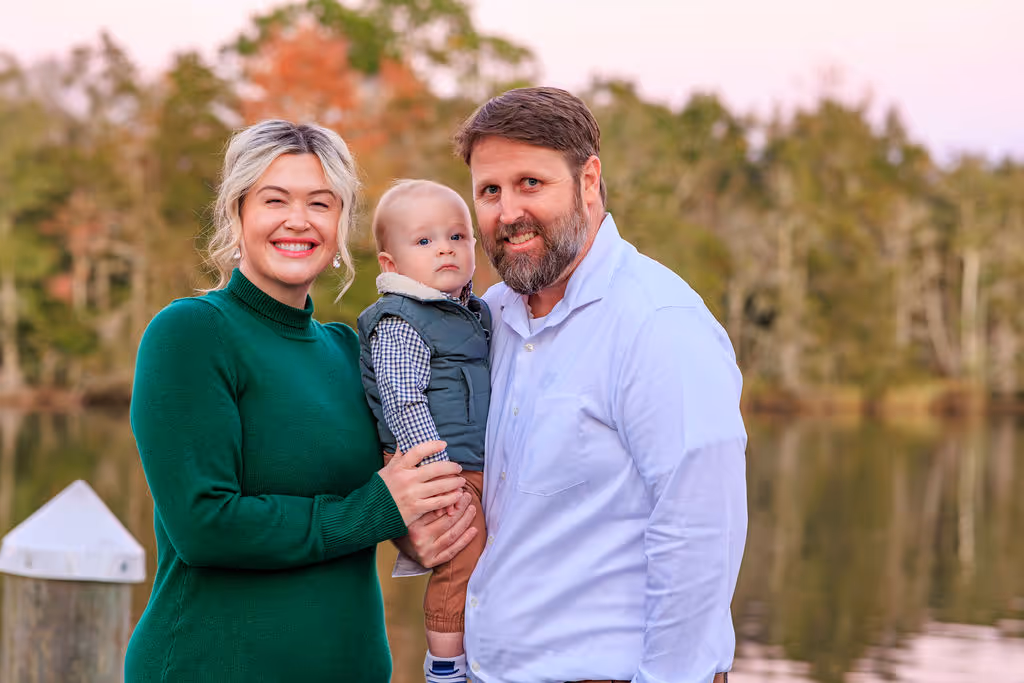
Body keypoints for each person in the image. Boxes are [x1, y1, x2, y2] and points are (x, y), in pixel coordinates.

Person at [400, 87, 748, 683]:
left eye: (530, 183)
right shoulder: (488, 318)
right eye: (490, 191)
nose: (507, 212)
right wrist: (417, 536)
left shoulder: (657, 323)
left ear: (588, 181)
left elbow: (698, 536)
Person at [126, 120, 467, 683]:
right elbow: (204, 526)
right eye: (274, 199)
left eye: (320, 203)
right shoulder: (191, 333)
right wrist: (376, 511)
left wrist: (412, 527)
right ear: (236, 214)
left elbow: (381, 498)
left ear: (339, 225)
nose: (298, 220)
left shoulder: (349, 349)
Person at [357, 179, 490, 683]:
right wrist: (434, 469)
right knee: (458, 560)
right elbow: (402, 397)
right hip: (438, 467)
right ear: (390, 266)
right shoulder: (402, 320)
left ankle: (477, 653)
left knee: (485, 558)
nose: (445, 249)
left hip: (473, 463)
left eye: (457, 237)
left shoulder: (474, 315)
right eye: (424, 241)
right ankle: (444, 666)